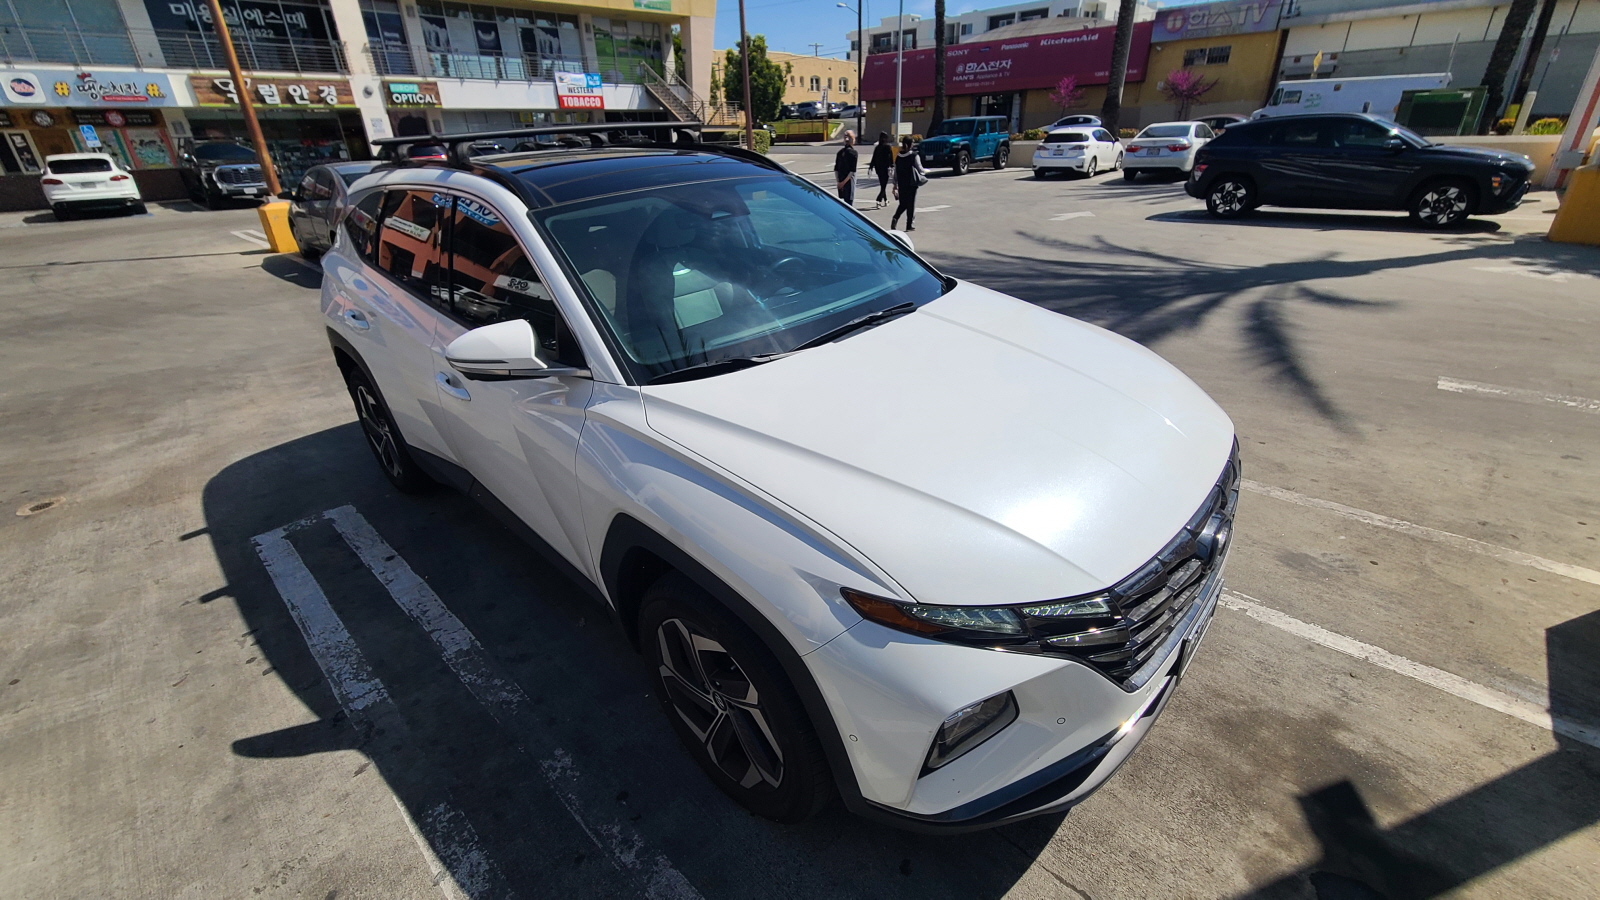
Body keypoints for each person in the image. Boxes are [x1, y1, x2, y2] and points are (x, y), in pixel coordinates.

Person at [890, 135, 927, 231]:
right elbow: (920, 169)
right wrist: (925, 173)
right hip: (911, 183)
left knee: (903, 203)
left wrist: (895, 184)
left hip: (902, 183)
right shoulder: (914, 155)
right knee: (911, 204)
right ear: (910, 144)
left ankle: (895, 217)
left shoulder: (898, 156)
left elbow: (896, 172)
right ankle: (909, 224)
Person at [869, 132, 894, 209]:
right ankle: (878, 200)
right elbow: (891, 158)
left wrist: (871, 167)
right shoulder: (888, 147)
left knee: (883, 184)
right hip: (885, 169)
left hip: (878, 169)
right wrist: (892, 166)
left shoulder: (877, 147)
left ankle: (886, 200)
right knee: (883, 186)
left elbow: (874, 158)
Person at [834, 130, 858, 206]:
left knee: (842, 204)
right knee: (849, 203)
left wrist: (839, 182)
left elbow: (836, 169)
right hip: (849, 182)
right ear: (853, 139)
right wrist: (844, 182)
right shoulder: (853, 153)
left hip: (840, 179)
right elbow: (852, 170)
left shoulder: (840, 152)